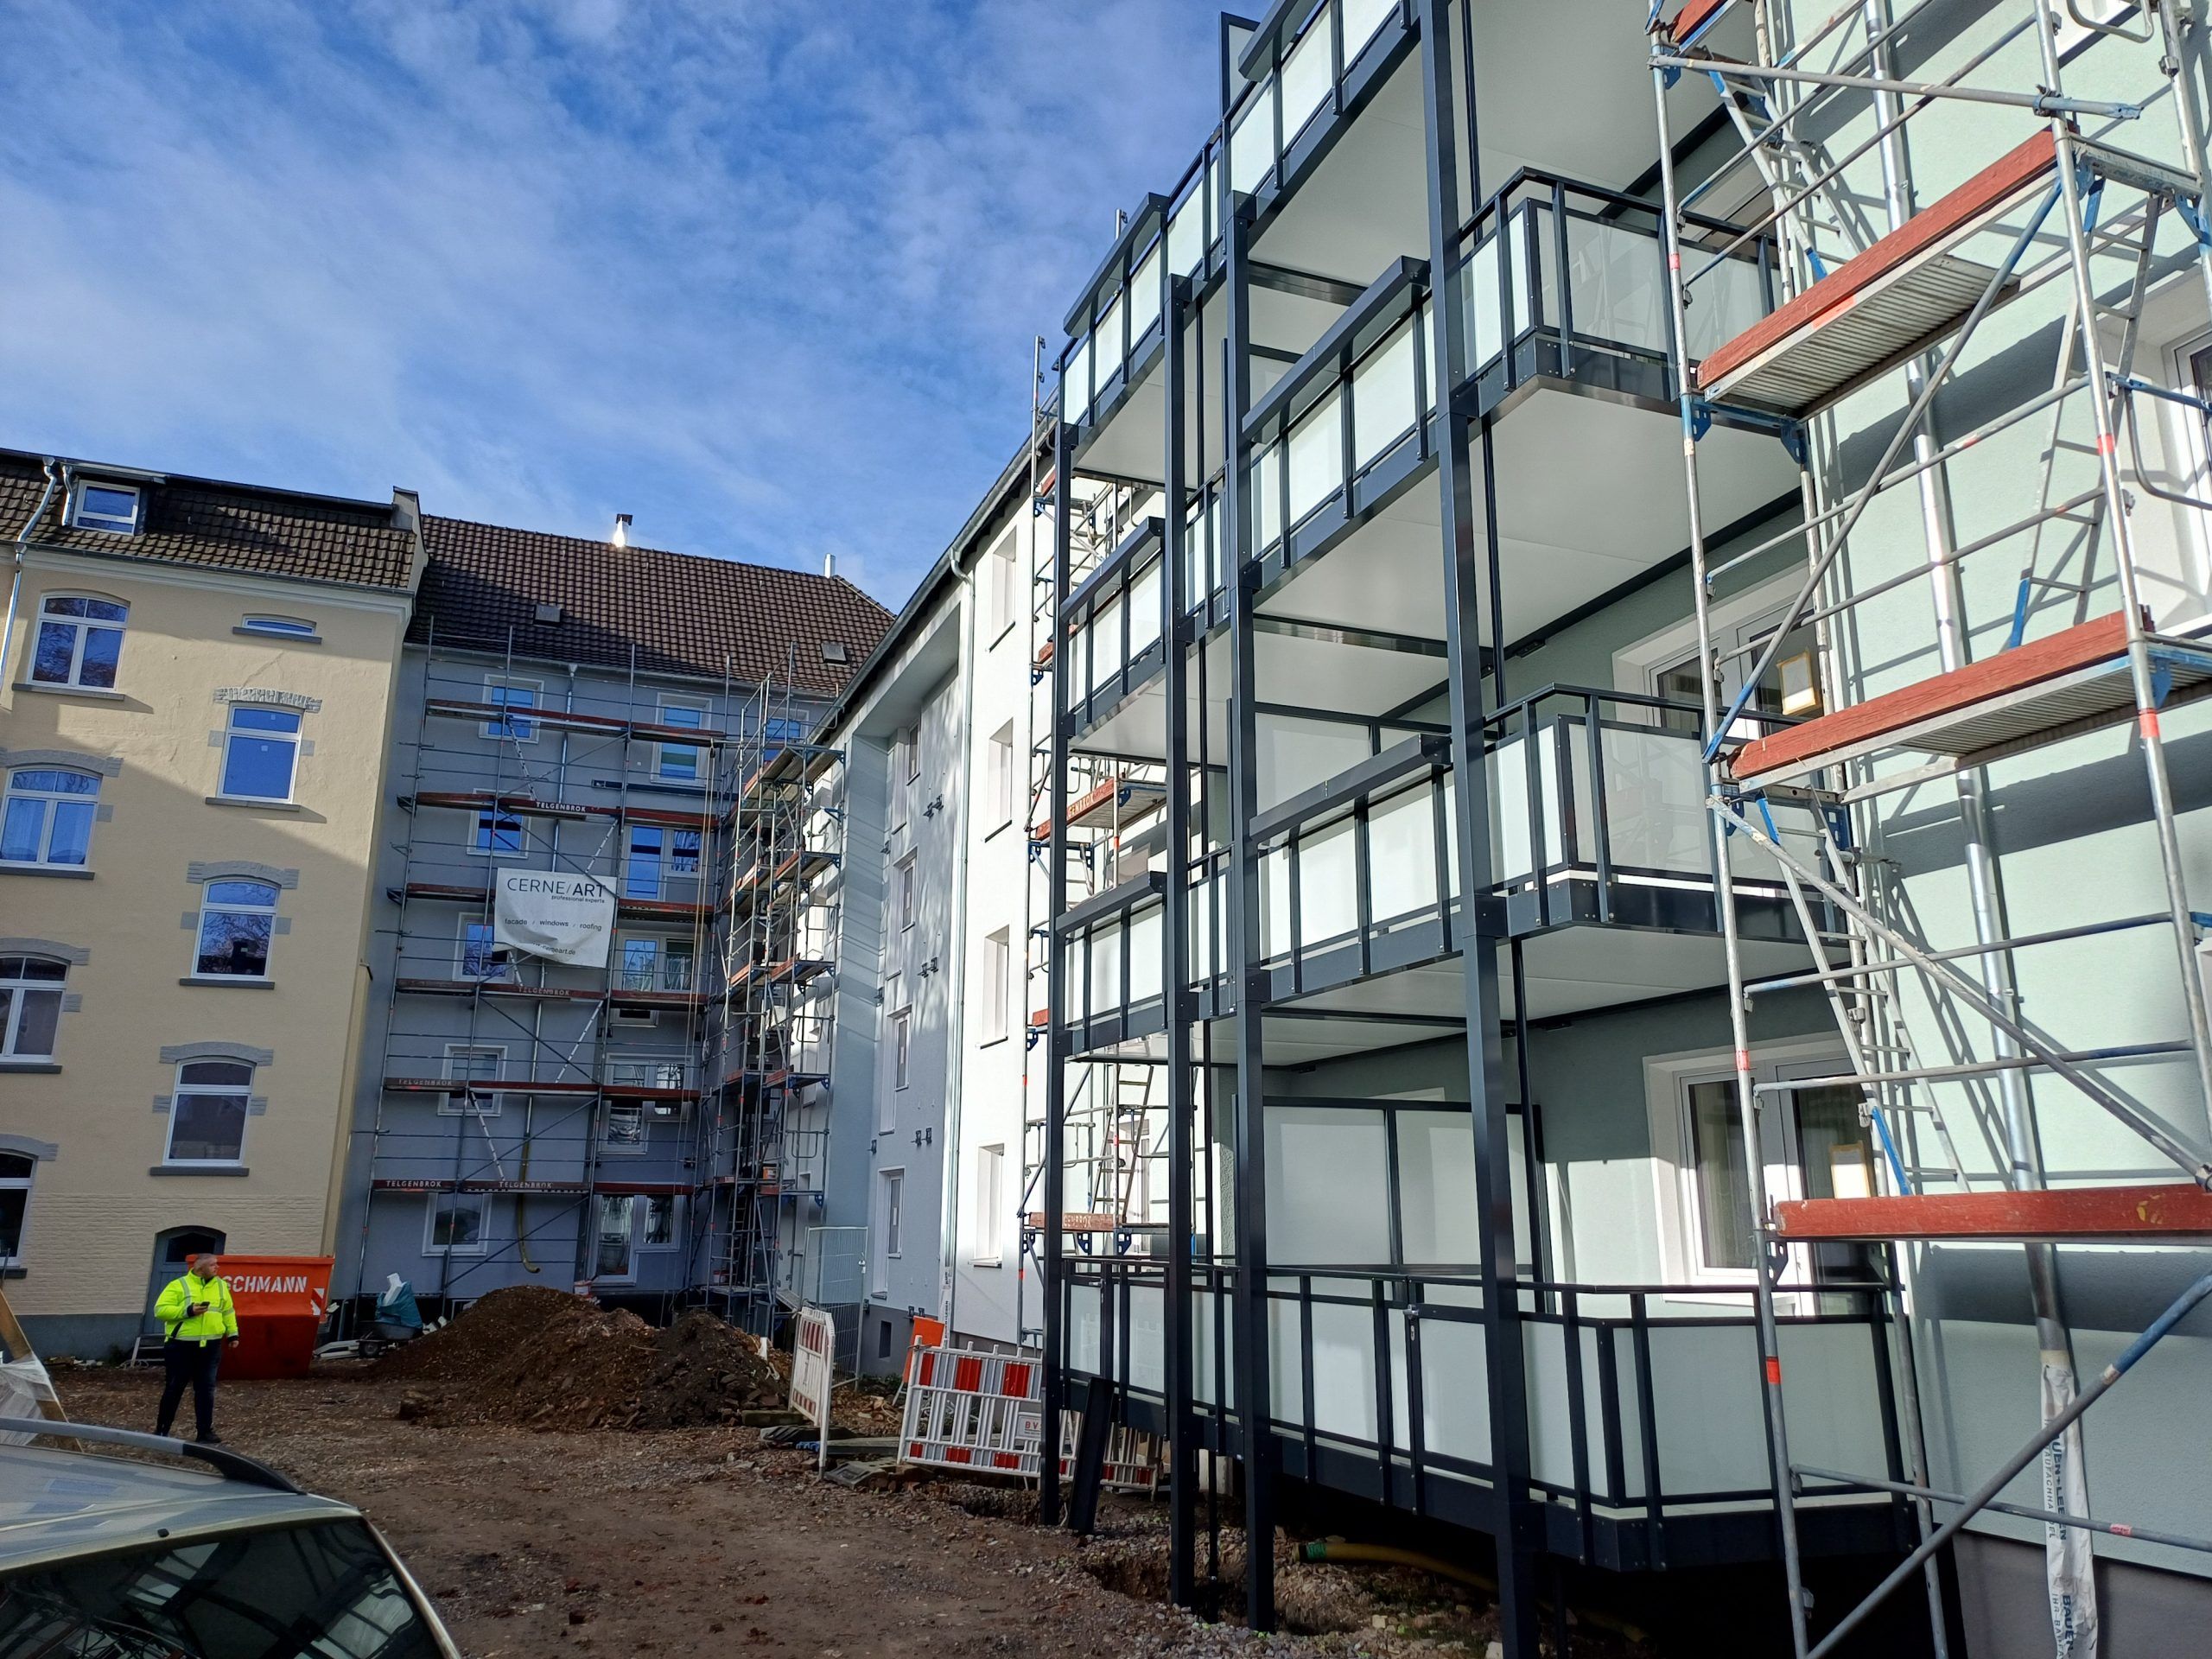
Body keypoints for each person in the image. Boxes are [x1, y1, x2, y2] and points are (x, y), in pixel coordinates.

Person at [153, 1252, 238, 1443]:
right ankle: (162, 1430)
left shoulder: (221, 1286)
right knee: (174, 1388)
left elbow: (228, 1311)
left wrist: (233, 1334)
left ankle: (204, 1432)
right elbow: (160, 1310)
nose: (217, 1268)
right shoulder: (178, 1285)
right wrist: (188, 1311)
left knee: (206, 1390)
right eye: (213, 1265)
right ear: (200, 1268)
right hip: (181, 1346)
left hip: (210, 1346)